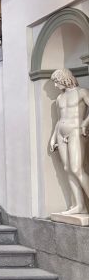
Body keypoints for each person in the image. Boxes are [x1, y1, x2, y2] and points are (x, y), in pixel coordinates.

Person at [49, 68, 89, 215]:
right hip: (61, 133)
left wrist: (85, 123)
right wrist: (53, 137)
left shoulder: (82, 92)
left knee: (77, 169)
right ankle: (80, 206)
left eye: (56, 81)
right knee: (67, 168)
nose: (55, 85)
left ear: (64, 79)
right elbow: (59, 119)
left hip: (75, 131)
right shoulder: (60, 98)